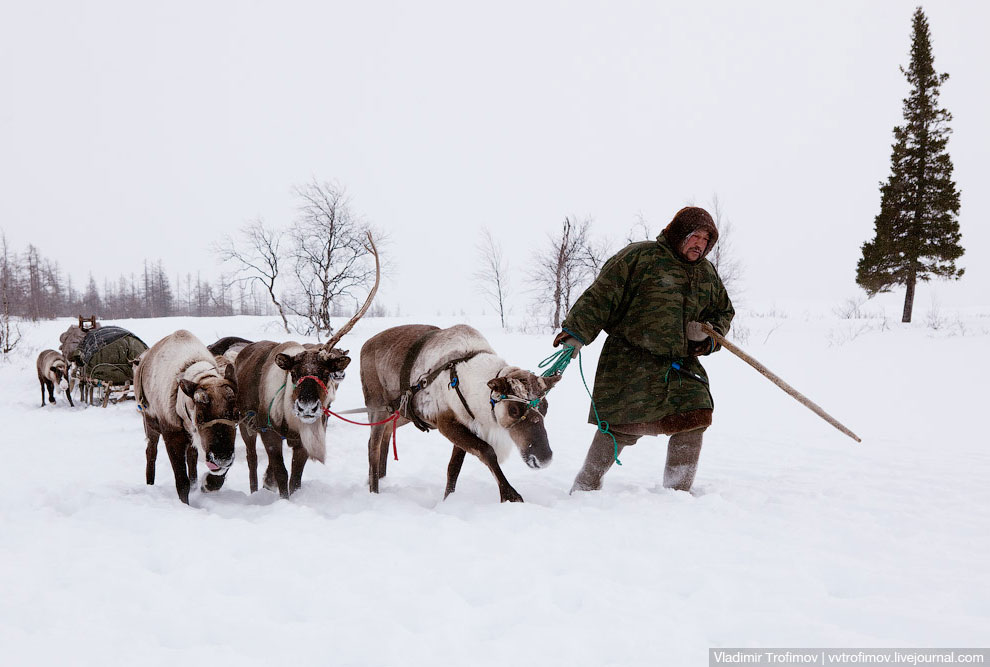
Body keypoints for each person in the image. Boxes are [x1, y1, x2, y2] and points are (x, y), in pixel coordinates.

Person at [554, 206, 734, 493]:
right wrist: (577, 333)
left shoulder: (706, 273)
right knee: (620, 426)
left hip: (679, 363)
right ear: (678, 234)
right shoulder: (641, 257)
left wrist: (709, 335)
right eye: (694, 235)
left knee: (695, 413)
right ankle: (586, 485)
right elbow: (602, 295)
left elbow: (723, 311)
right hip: (630, 359)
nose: (700, 243)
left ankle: (677, 491)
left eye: (706, 239)